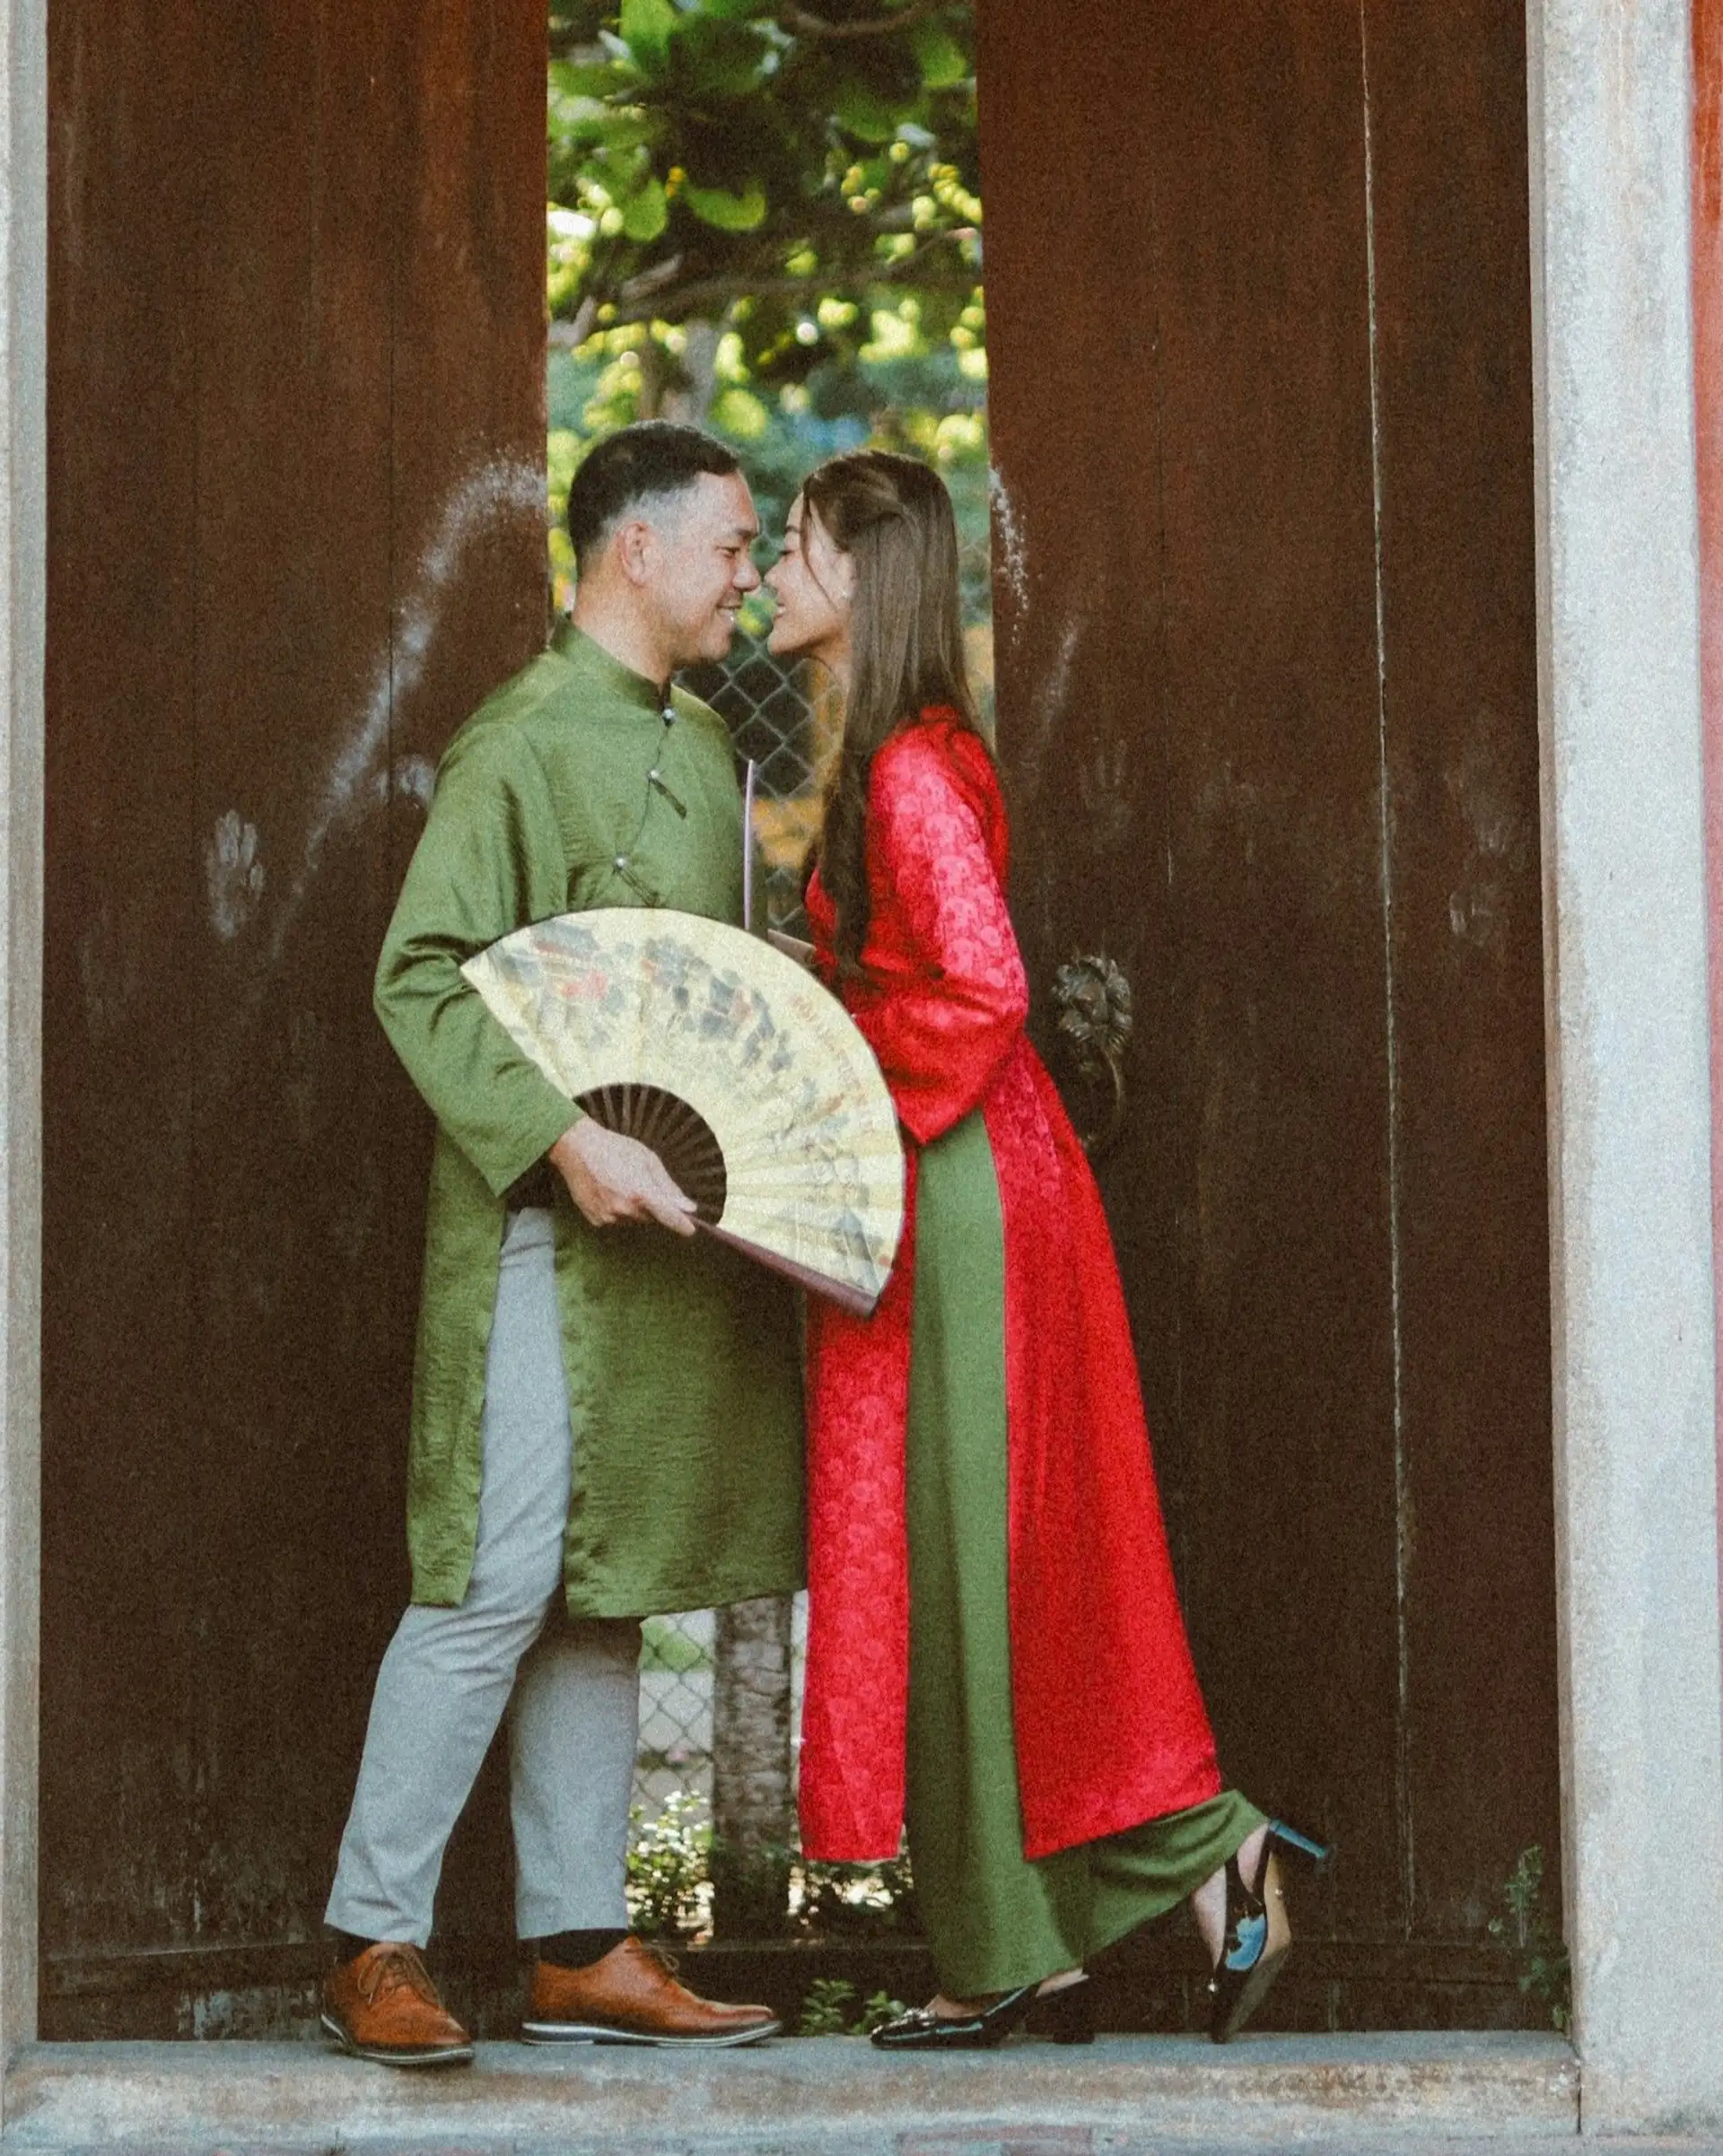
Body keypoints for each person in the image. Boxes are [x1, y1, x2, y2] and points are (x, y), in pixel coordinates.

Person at [763, 450, 1325, 2051]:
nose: (773, 578)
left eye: (795, 549)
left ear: (865, 575)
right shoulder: (904, 751)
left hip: (961, 1186)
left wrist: (832, 1055)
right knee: (979, 1568)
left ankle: (1172, 1874)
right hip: (971, 1177)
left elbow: (987, 990)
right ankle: (1041, 1942)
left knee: (973, 1566)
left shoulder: (906, 776)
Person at [321, 423, 804, 2066]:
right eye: (732, 544)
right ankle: (369, 1935)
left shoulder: (704, 748)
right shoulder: (516, 741)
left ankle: (580, 1944)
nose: (748, 572)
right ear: (636, 554)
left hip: (660, 1259)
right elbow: (420, 976)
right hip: (539, 1231)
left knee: (612, 1585)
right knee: (490, 1581)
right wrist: (563, 1137)